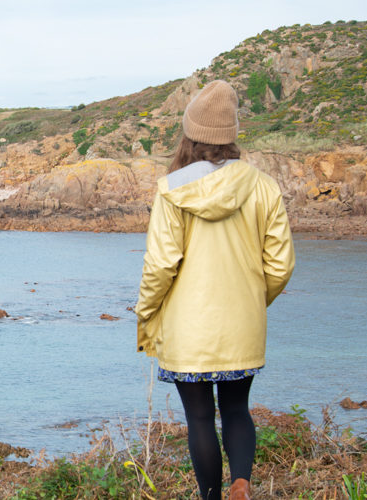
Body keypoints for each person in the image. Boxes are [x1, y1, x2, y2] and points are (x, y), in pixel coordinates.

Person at [134, 80, 295, 500]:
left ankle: (211, 497)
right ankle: (241, 482)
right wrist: (252, 302)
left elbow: (161, 265)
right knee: (237, 409)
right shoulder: (264, 186)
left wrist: (146, 312)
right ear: (232, 134)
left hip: (189, 327)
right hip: (242, 323)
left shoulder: (173, 189)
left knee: (201, 418)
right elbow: (280, 265)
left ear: (190, 133)